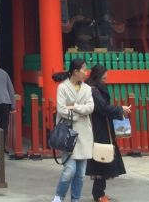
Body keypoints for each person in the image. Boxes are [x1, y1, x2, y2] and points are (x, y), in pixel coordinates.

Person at [85, 64, 130, 202]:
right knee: (102, 159)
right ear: (98, 75)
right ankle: (98, 194)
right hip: (99, 129)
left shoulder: (97, 88)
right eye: (105, 75)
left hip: (103, 127)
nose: (107, 77)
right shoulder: (94, 90)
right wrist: (120, 109)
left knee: (104, 158)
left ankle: (100, 192)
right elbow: (103, 108)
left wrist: (118, 111)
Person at [51, 58, 93, 202]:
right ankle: (58, 197)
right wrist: (80, 112)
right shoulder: (63, 87)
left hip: (84, 133)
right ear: (75, 71)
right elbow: (61, 109)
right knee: (70, 171)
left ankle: (75, 199)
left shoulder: (87, 88)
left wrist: (74, 107)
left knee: (80, 173)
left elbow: (90, 107)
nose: (86, 72)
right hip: (68, 133)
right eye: (84, 69)